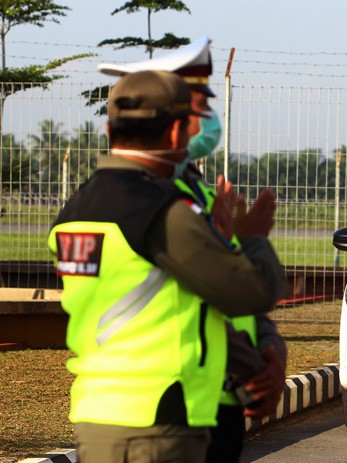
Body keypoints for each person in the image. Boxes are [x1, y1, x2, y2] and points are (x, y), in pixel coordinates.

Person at [47, 70, 287, 463]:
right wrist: (252, 238)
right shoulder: (159, 211)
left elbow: (159, 311)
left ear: (108, 129)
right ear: (177, 134)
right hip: (159, 422)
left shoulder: (75, 210)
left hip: (97, 415)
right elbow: (253, 291)